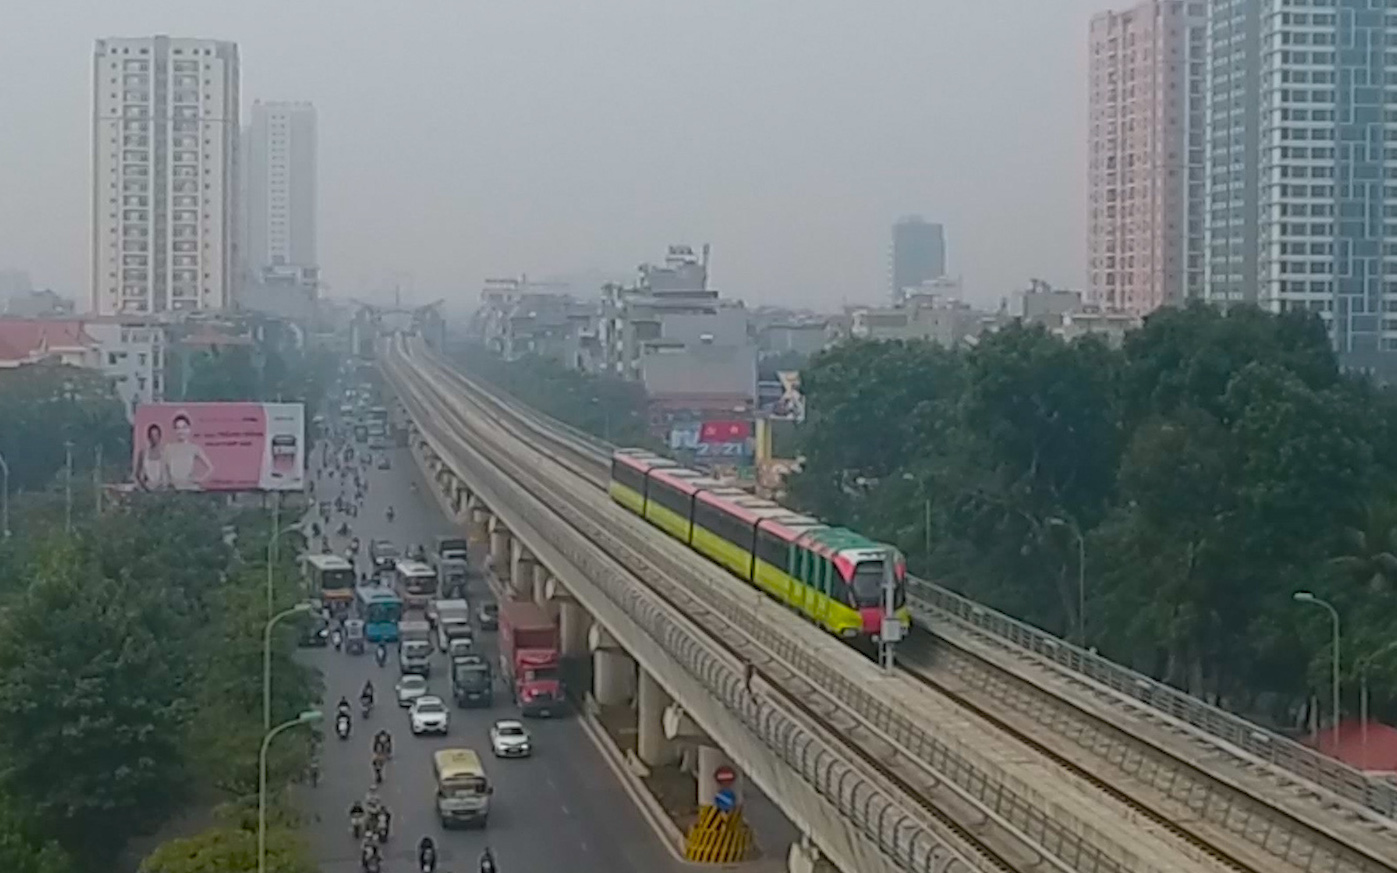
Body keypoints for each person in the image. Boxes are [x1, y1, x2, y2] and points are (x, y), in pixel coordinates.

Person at [164, 412, 215, 490]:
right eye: (178, 428)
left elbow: (210, 468)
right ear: (174, 430)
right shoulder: (169, 448)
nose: (181, 431)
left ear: (189, 429)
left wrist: (200, 480)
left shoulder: (194, 448)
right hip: (174, 490)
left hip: (190, 488)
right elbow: (165, 470)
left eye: (184, 427)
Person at [135, 422, 170, 491]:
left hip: (162, 490)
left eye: (156, 435)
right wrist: (145, 487)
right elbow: (138, 474)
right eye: (152, 435)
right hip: (147, 489)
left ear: (160, 436)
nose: (154, 438)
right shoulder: (143, 453)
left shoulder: (165, 453)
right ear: (148, 437)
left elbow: (168, 473)